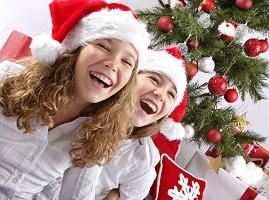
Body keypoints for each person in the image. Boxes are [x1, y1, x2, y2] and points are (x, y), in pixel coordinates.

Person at [0, 0, 150, 199]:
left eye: (126, 61)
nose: (113, 64)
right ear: (76, 50)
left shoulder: (96, 135)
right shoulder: (8, 78)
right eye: (104, 46)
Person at [54, 46, 188, 199]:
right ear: (128, 79)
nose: (161, 95)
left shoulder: (144, 159)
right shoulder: (79, 109)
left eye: (171, 94)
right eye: (154, 80)